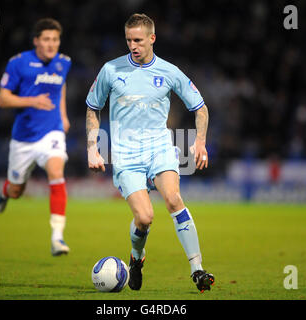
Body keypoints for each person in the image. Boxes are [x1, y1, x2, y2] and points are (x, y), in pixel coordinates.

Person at [85, 13, 214, 292]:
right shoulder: (111, 70)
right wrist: (92, 148)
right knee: (144, 218)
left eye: (139, 40)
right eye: (129, 40)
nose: (133, 45)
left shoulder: (169, 72)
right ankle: (136, 257)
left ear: (152, 38)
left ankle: (198, 269)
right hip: (126, 155)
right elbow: (93, 107)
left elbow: (200, 107)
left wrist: (200, 142)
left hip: (159, 149)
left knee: (174, 199)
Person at [0, 18, 72, 256]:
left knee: (56, 172)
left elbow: (61, 86)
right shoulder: (19, 63)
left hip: (52, 131)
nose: (51, 44)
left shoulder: (64, 62)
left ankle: (57, 238)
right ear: (36, 41)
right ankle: (4, 192)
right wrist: (32, 101)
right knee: (17, 191)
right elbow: (2, 99)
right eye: (46, 39)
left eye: (55, 40)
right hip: (24, 138)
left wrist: (64, 115)